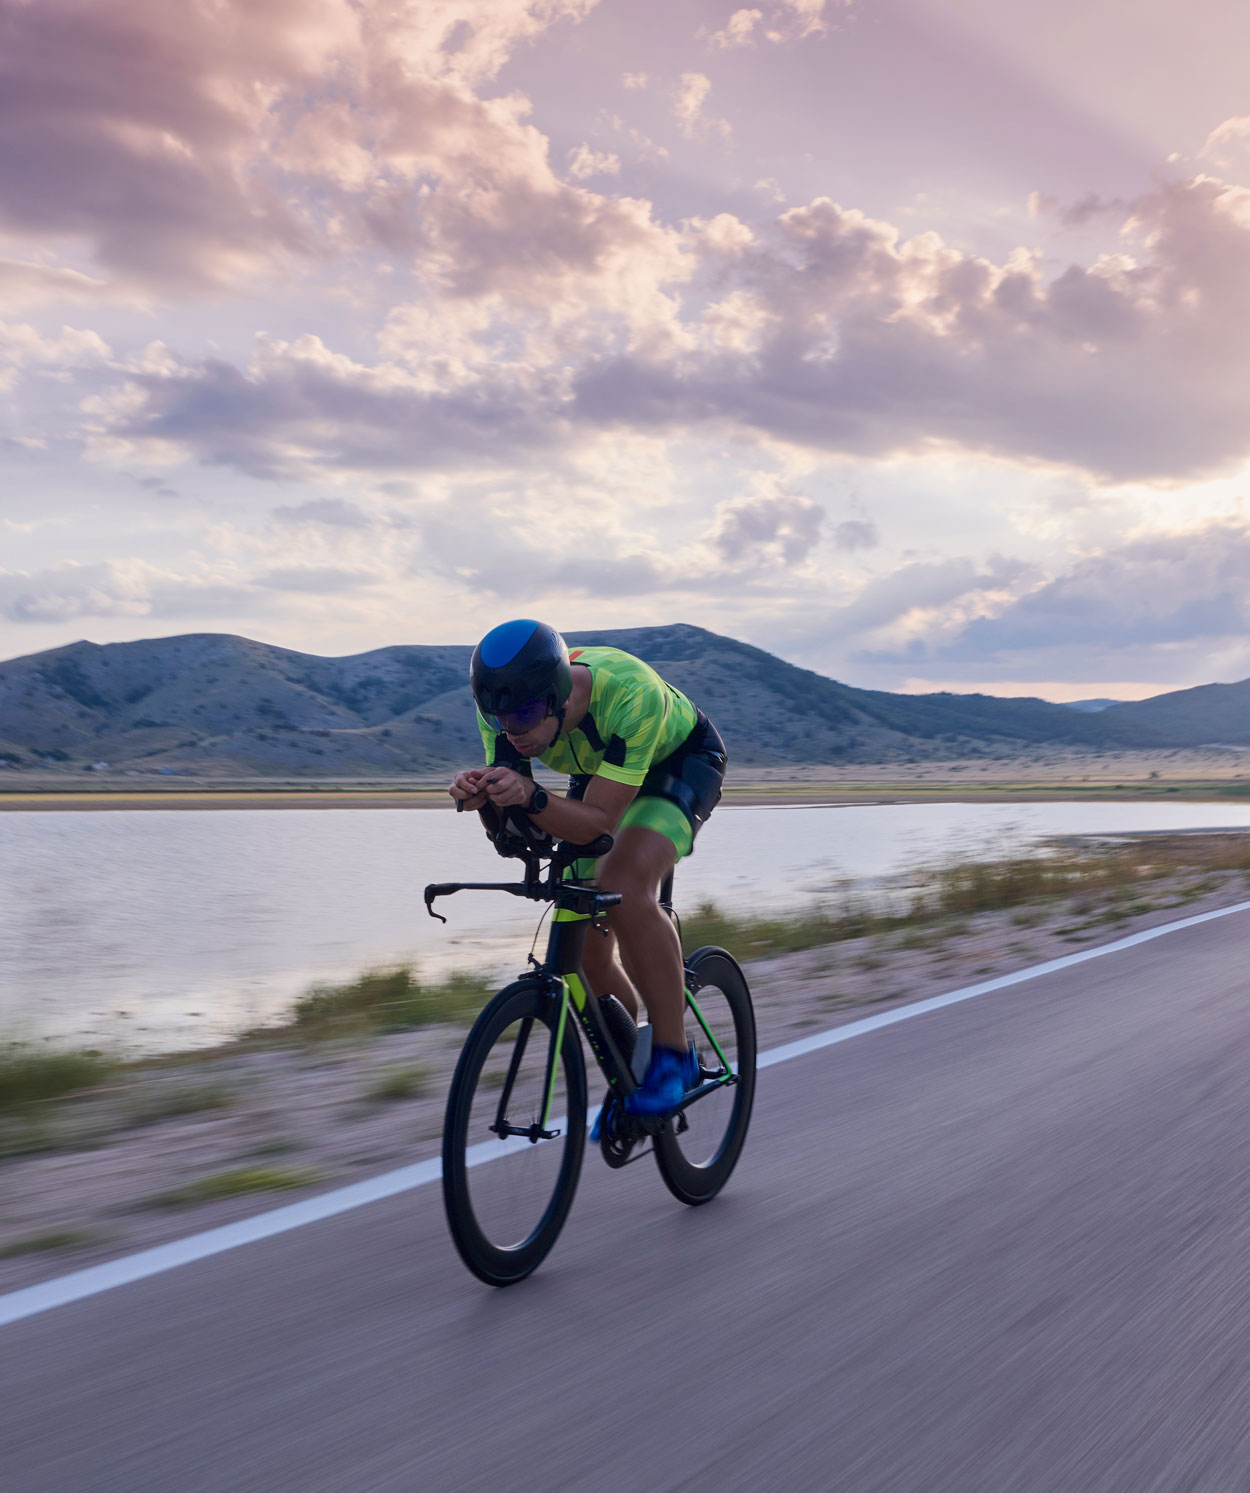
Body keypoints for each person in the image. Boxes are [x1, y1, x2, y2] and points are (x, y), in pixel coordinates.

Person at [449, 619, 727, 1117]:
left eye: (528, 714)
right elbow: (524, 824)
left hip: (678, 764)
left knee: (622, 884)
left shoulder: (629, 695)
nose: (515, 732)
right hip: (598, 773)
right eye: (499, 719)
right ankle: (630, 1073)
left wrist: (531, 794)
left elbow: (598, 823)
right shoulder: (509, 714)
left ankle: (673, 1056)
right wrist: (484, 798)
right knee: (586, 949)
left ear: (557, 695)